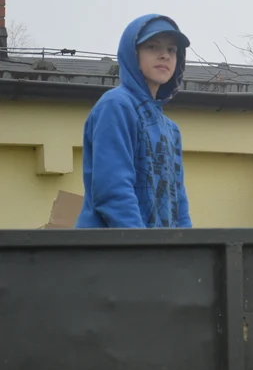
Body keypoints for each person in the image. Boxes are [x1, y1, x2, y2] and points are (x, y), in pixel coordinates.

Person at [75, 14, 193, 228]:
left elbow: (179, 202)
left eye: (171, 50)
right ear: (133, 54)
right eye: (152, 47)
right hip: (114, 253)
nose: (164, 55)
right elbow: (112, 191)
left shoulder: (171, 130)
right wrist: (141, 251)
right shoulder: (116, 106)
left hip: (157, 255)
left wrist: (186, 251)